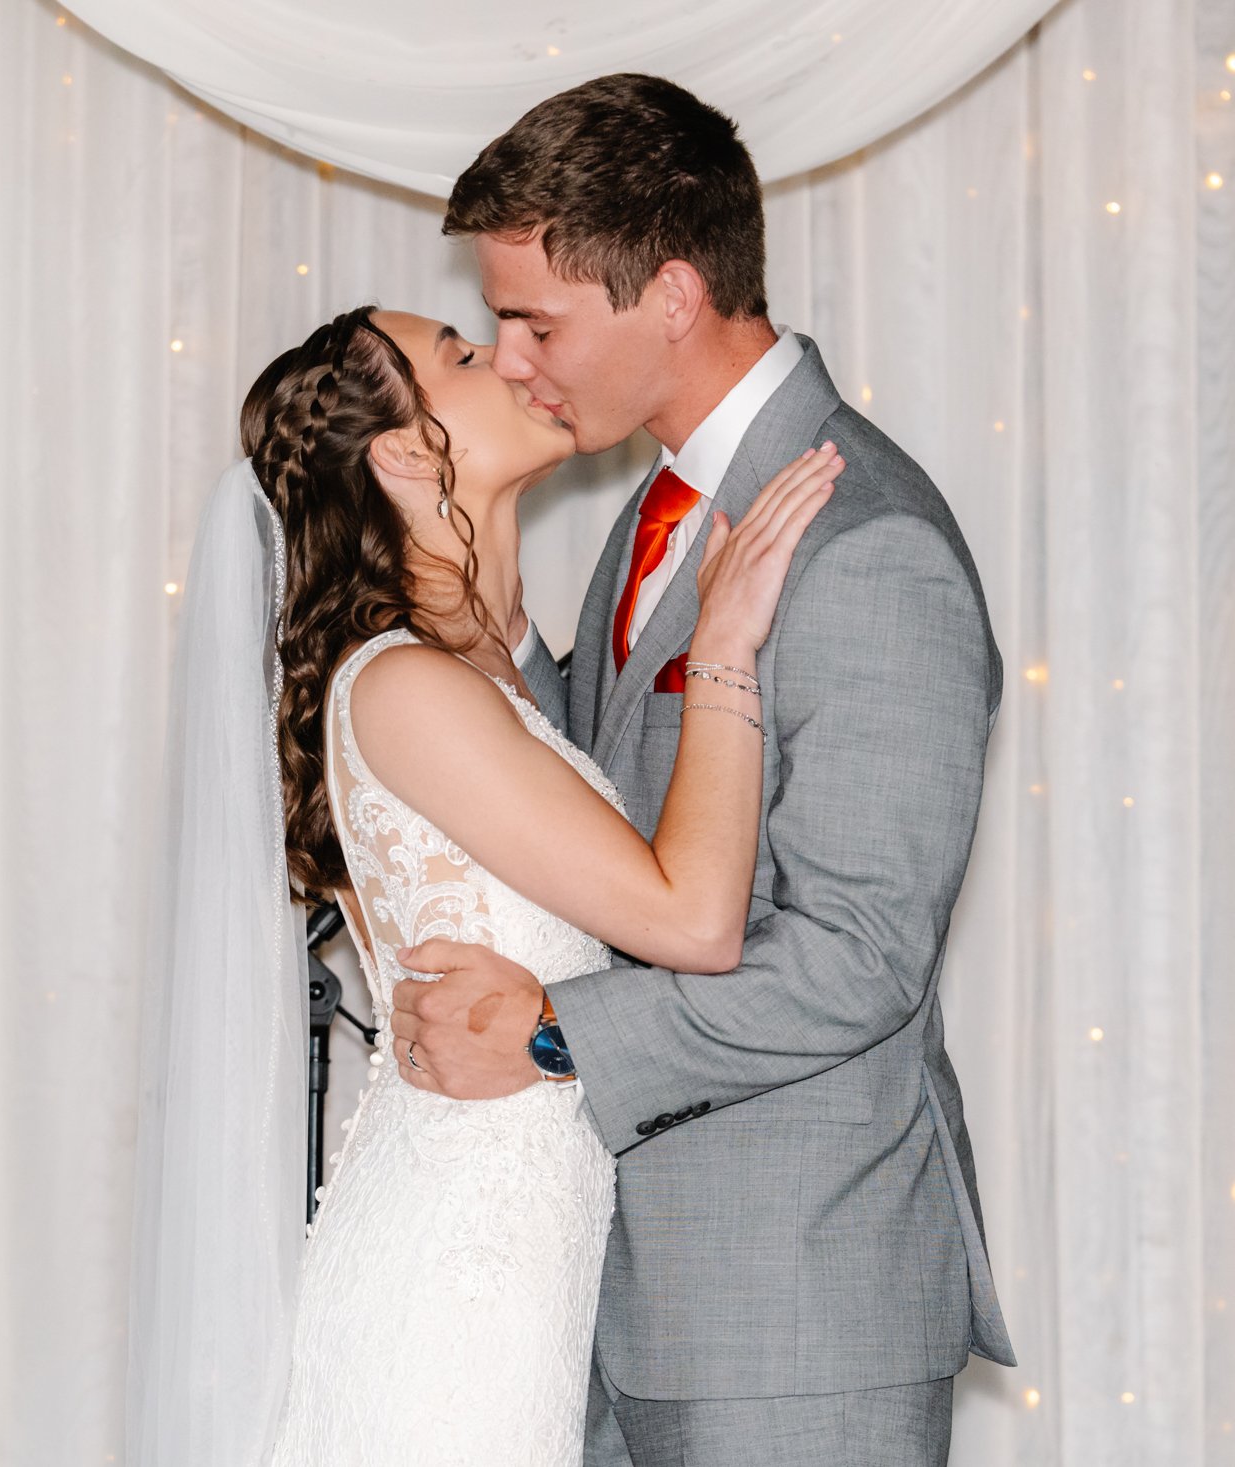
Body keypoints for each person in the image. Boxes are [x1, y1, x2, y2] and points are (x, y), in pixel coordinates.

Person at [389, 73, 1016, 1466]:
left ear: (671, 294)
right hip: (628, 1296)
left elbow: (859, 957)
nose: (509, 358)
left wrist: (556, 1033)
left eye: (535, 320)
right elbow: (603, 789)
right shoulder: (663, 504)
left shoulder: (868, 545)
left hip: (793, 1317)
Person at [230, 304, 837, 1466]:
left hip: (520, 1268)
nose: (509, 359)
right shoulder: (405, 686)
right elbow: (690, 920)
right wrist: (721, 649)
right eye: (461, 356)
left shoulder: (482, 670)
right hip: (460, 1285)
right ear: (406, 455)